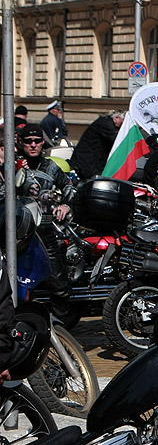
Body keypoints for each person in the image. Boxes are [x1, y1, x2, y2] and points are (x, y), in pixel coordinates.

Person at [16, 124, 75, 324]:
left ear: (43, 142)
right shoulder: (11, 165)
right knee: (17, 284)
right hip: (17, 236)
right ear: (20, 143)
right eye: (28, 141)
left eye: (37, 141)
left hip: (45, 232)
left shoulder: (51, 166)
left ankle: (62, 332)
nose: (33, 145)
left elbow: (70, 186)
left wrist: (66, 205)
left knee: (59, 284)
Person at [70, 110, 124, 180]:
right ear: (116, 118)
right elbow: (115, 140)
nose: (122, 125)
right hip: (87, 159)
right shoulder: (106, 124)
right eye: (122, 122)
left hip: (92, 158)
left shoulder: (106, 121)